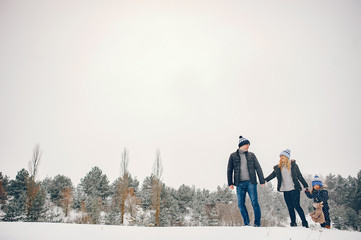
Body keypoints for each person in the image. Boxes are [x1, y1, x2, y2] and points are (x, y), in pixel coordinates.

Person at [265, 149, 309, 228]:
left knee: (297, 206)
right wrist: (264, 180)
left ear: (286, 157)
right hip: (285, 190)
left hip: (294, 188)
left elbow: (299, 176)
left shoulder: (293, 166)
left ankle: (305, 223)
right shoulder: (278, 167)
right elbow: (272, 175)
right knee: (290, 207)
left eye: (282, 156)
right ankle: (293, 223)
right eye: (280, 156)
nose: (281, 157)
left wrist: (305, 185)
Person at [227, 136, 265, 227]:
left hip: (251, 182)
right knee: (240, 204)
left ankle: (257, 223)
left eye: (248, 145)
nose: (248, 146)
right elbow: (229, 169)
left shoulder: (251, 155)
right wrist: (230, 183)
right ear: (241, 145)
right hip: (239, 183)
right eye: (247, 144)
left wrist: (262, 180)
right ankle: (246, 222)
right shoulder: (233, 156)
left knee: (254, 202)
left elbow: (258, 167)